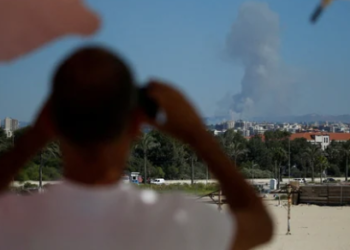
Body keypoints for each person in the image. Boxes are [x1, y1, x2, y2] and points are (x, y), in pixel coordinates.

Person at [0, 46, 273, 250]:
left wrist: (32, 138)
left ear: (52, 120)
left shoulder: (14, 222)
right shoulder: (176, 222)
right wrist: (198, 136)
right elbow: (260, 225)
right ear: (135, 125)